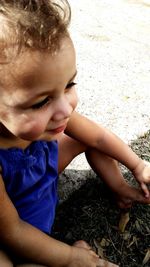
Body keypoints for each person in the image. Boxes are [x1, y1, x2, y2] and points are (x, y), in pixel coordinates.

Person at [0, 1, 150, 266]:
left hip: (39, 172)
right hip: (15, 224)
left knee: (87, 138)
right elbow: (14, 231)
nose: (65, 108)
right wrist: (71, 257)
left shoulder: (52, 117)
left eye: (69, 84)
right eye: (40, 102)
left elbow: (99, 138)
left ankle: (119, 190)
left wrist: (137, 165)